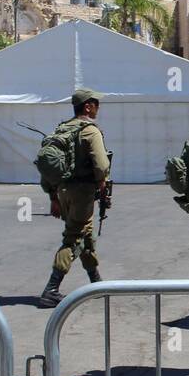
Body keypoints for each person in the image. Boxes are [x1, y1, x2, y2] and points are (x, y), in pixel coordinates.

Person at [38, 89, 111, 308]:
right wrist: (102, 181)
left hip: (63, 191)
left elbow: (48, 166)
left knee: (85, 236)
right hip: (82, 192)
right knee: (73, 238)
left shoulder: (62, 128)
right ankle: (51, 289)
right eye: (96, 103)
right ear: (87, 106)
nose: (98, 107)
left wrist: (53, 197)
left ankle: (95, 282)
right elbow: (101, 165)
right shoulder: (90, 131)